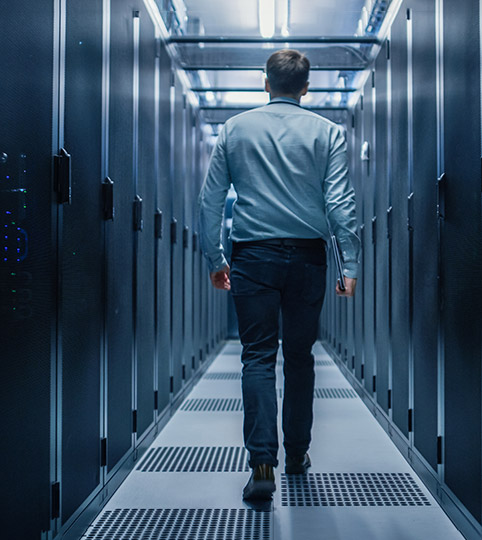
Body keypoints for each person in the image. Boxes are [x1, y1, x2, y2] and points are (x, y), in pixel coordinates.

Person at [198, 49, 360, 501]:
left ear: (264, 83)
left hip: (253, 257)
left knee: (258, 357)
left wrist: (216, 259)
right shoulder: (328, 133)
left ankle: (262, 465)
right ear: (306, 87)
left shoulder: (235, 129)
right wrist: (349, 264)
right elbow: (341, 204)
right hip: (308, 258)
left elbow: (210, 202)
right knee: (301, 357)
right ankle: (296, 454)